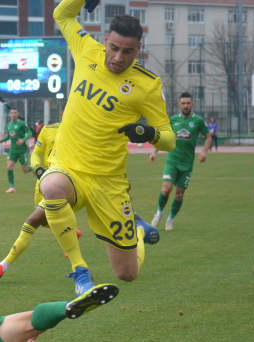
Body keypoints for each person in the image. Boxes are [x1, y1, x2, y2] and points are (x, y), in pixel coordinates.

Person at [41, 1, 175, 302]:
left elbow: (169, 139)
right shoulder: (86, 50)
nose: (117, 57)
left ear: (138, 49)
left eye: (128, 52)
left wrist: (148, 133)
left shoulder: (147, 85)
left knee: (127, 273)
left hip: (109, 183)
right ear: (105, 40)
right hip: (69, 168)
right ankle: (80, 271)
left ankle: (138, 231)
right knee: (51, 187)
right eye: (113, 48)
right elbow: (62, 13)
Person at [0, 111, 82, 279]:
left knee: (32, 221)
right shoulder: (48, 130)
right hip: (44, 183)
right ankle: (72, 236)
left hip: (64, 185)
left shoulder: (81, 132)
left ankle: (2, 266)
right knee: (46, 222)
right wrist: (37, 168)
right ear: (61, 114)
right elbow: (36, 153)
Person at [149, 92, 212, 231]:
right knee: (166, 189)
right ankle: (159, 214)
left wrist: (204, 151)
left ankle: (170, 220)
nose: (186, 106)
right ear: (179, 105)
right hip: (172, 161)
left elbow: (208, 137)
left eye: (188, 103)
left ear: (192, 104)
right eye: (183, 103)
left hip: (187, 164)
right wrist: (154, 152)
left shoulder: (198, 121)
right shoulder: (173, 120)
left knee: (179, 194)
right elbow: (163, 137)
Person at [0, 107, 33, 193]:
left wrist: (23, 140)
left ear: (18, 114)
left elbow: (30, 133)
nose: (13, 114)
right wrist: (1, 140)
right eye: (12, 113)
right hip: (13, 150)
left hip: (22, 150)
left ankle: (32, 168)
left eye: (15, 113)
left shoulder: (22, 123)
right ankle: (12, 187)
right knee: (9, 167)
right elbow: (9, 135)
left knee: (25, 170)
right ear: (9, 115)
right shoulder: (9, 125)